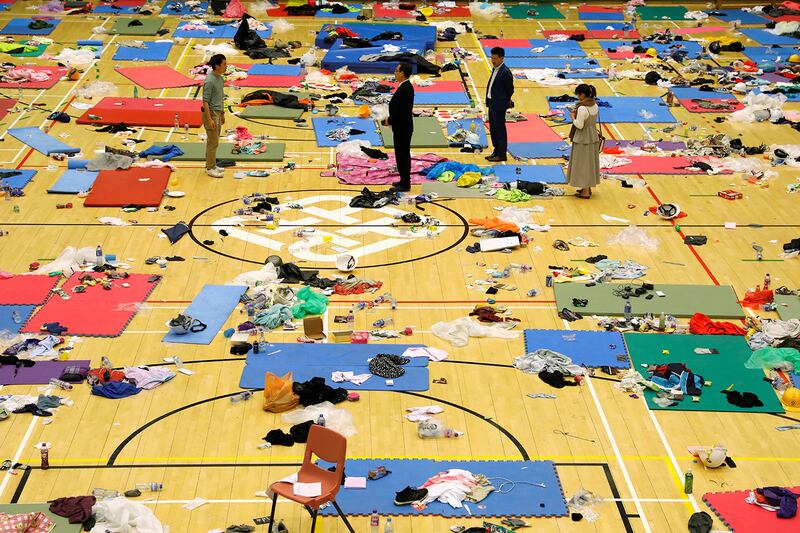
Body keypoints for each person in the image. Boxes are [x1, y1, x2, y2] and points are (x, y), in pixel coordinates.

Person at [384, 62, 414, 192]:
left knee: (402, 155)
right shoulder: (404, 86)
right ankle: (403, 180)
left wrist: (389, 120)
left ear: (402, 73)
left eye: (397, 70)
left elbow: (401, 110)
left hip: (403, 126)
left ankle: (405, 184)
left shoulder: (405, 88)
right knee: (400, 154)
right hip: (402, 125)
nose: (395, 72)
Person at [567, 84, 601, 199]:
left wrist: (572, 117)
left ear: (582, 94)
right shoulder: (594, 105)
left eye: (578, 94)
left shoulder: (582, 108)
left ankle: (585, 191)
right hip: (592, 136)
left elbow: (579, 125)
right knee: (590, 163)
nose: (577, 97)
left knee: (582, 164)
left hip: (582, 138)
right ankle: (587, 188)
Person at [485, 46, 514, 162]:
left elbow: (510, 90)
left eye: (495, 58)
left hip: (499, 105)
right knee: (493, 129)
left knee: (500, 129)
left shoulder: (505, 72)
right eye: (492, 58)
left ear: (502, 58)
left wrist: (503, 101)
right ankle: (496, 151)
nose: (493, 60)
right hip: (492, 103)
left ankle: (502, 154)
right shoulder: (495, 69)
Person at [202, 54, 227, 178]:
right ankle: (209, 168)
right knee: (213, 142)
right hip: (211, 113)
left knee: (214, 141)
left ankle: (212, 164)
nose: (226, 66)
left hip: (217, 112)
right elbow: (205, 101)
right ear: (217, 66)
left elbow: (220, 97)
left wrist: (222, 113)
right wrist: (209, 119)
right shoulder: (209, 81)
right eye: (224, 64)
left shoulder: (220, 78)